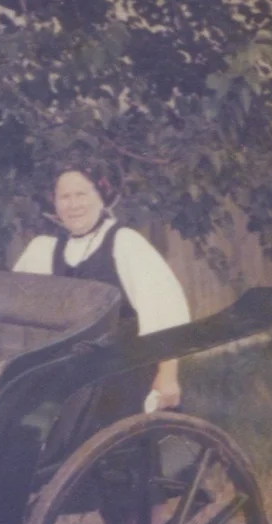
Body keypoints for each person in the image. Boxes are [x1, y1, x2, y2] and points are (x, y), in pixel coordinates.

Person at [12, 167, 190, 411]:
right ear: (55, 203)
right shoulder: (42, 251)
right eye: (65, 197)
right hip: (67, 373)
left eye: (81, 194)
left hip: (124, 370)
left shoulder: (125, 243)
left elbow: (164, 311)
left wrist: (167, 376)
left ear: (101, 197)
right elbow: (17, 313)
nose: (73, 205)